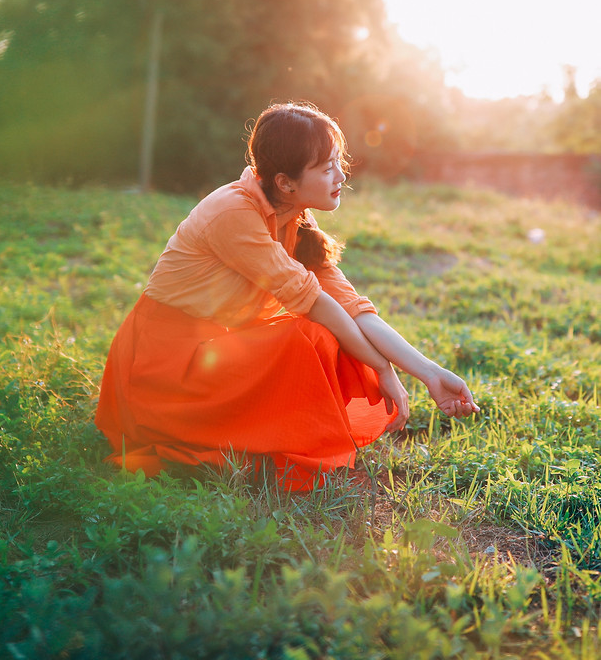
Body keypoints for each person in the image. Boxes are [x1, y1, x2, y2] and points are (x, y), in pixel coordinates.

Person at [95, 102, 478, 490]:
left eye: (338, 162)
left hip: (213, 352)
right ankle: (249, 438)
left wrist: (429, 373)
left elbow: (353, 307)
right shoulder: (233, 213)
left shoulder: (294, 214)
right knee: (310, 335)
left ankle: (268, 436)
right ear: (285, 181)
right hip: (161, 370)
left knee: (323, 335)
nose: (341, 175)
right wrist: (381, 368)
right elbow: (318, 306)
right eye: (327, 167)